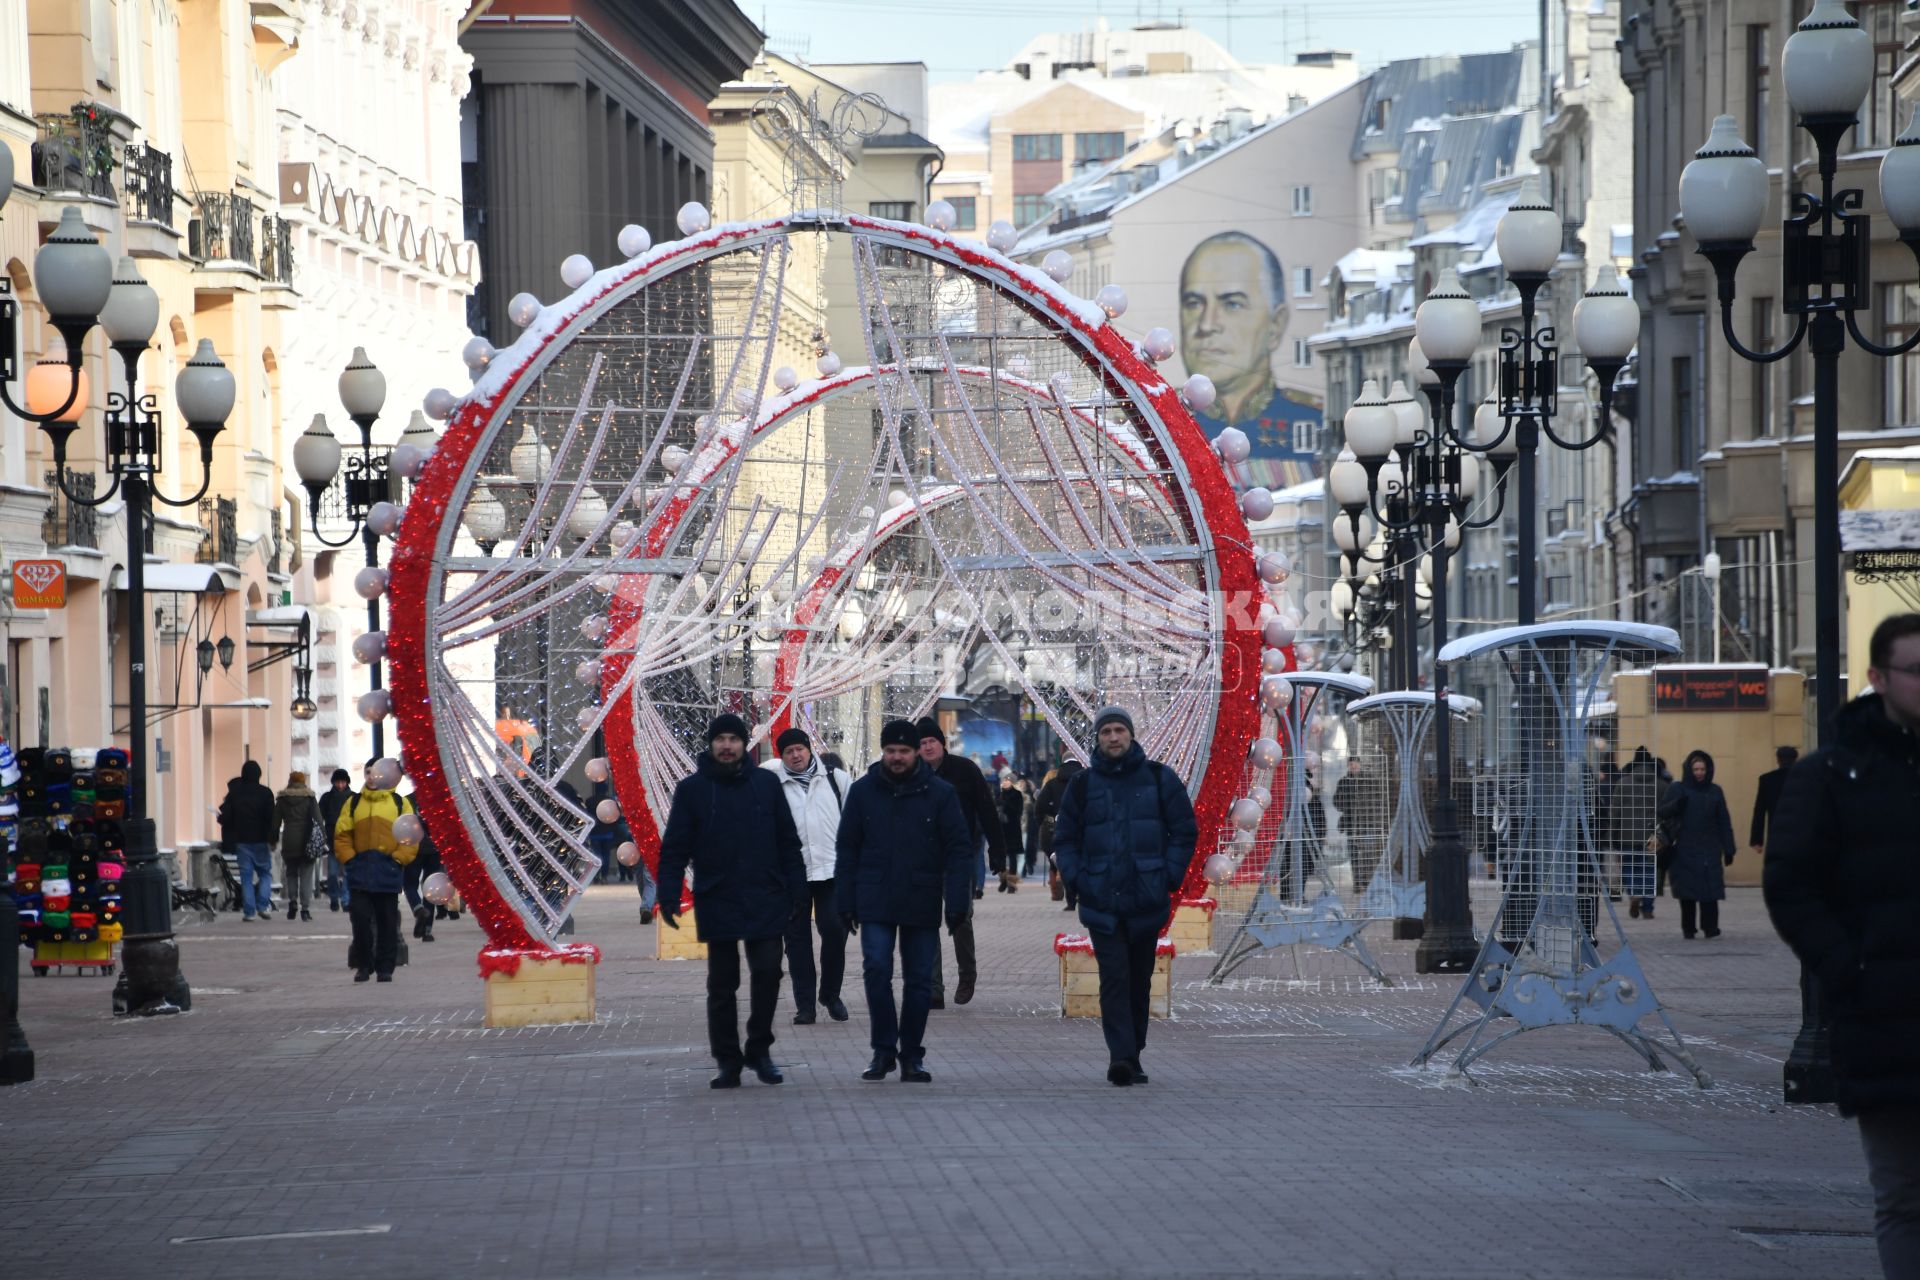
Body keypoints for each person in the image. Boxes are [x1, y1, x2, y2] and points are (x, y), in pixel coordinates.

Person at [1767, 613, 1920, 1278]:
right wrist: (1847, 968)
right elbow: (1792, 885)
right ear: (1878, 678)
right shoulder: (1832, 775)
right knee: (1905, 1196)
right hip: (1885, 1016)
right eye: (1915, 671)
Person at [656, 713, 806, 1089]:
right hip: (718, 893)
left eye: (733, 740)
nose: (727, 746)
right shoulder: (692, 789)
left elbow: (788, 840)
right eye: (720, 739)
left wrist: (798, 889)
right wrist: (669, 891)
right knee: (722, 983)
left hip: (766, 892)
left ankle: (759, 1049)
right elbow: (675, 846)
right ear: (711, 744)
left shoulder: (767, 784)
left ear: (745, 745)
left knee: (769, 972)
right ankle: (727, 1059)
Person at [1053, 706, 1197, 1086]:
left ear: (1131, 735)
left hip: (1146, 898)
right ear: (1097, 738)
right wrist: (1078, 878)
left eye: (1119, 730)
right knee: (1114, 978)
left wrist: (1168, 874)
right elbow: (1065, 839)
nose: (1113, 737)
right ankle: (1121, 1057)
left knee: (1139, 981)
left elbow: (1184, 830)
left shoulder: (1159, 779)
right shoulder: (1082, 785)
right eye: (1106, 732)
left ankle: (1133, 1051)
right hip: (1101, 899)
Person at [834, 718, 972, 1082]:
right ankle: (883, 1051)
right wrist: (844, 899)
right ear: (883, 751)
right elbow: (847, 848)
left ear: (916, 754)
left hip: (921, 896)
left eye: (904, 751)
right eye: (891, 751)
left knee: (919, 981)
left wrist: (957, 903)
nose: (897, 757)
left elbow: (959, 850)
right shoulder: (863, 792)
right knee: (877, 970)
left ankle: (911, 1054)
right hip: (875, 896)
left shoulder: (940, 793)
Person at [1177, 230, 1324, 488]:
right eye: (1193, 303)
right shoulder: (1157, 423)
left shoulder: (1312, 420)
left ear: (1275, 325)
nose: (1207, 324)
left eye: (1232, 304)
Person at [763, 726, 854, 1025]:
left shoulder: (835, 779)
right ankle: (806, 1006)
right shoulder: (774, 786)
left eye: (799, 749)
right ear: (782, 757)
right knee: (797, 940)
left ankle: (830, 994)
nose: (796, 755)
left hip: (831, 869)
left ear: (809, 748)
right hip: (792, 873)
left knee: (834, 930)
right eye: (789, 752)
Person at [917, 717, 1005, 1006]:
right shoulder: (912, 775)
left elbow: (987, 810)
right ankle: (933, 988)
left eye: (932, 741)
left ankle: (967, 974)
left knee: (960, 918)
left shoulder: (965, 770)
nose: (928, 747)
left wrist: (998, 850)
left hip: (958, 856)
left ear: (942, 743)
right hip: (925, 858)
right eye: (922, 743)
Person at [333, 759, 421, 982]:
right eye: (369, 772)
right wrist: (350, 860)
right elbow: (342, 836)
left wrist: (398, 860)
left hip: (387, 870)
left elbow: (411, 837)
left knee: (387, 922)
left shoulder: (399, 804)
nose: (372, 776)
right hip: (360, 870)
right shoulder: (353, 804)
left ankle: (385, 967)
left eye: (377, 772)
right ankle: (363, 965)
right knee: (360, 921)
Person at [1657, 749, 1735, 940]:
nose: (1699, 772)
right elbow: (1662, 812)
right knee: (1687, 891)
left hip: (1710, 846)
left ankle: (1711, 928)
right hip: (1684, 846)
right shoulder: (1678, 788)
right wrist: (1676, 805)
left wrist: (1729, 848)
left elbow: (1724, 821)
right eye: (1696, 769)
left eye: (1702, 769)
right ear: (1689, 770)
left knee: (1710, 890)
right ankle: (1689, 928)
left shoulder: (1715, 791)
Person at [1606, 746, 1664, 919]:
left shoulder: (1623, 783)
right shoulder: (1660, 785)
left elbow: (1615, 812)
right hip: (1653, 836)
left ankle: (1634, 894)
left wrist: (1612, 836)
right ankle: (1647, 907)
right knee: (1649, 870)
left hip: (1627, 834)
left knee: (1630, 868)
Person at [218, 760, 277, 922]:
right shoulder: (266, 793)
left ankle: (249, 912)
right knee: (265, 874)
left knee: (246, 877)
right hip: (261, 840)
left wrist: (221, 818)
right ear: (259, 775)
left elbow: (227, 817)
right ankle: (263, 906)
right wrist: (272, 838)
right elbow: (271, 818)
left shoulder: (235, 793)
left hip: (242, 841)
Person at [1035, 758, 1084, 909]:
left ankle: (1068, 899)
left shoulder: (1053, 783)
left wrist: (1042, 820)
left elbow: (1041, 805)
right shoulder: (1086, 781)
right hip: (1082, 826)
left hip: (1057, 826)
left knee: (1061, 860)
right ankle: (1083, 894)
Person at [273, 771, 319, 923]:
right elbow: (318, 819)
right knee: (306, 875)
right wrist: (322, 839)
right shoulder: (309, 798)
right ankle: (305, 909)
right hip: (307, 840)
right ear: (303, 781)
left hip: (289, 839)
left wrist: (273, 839)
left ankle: (293, 900)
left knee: (291, 873)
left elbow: (276, 822)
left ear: (290, 780)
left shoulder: (282, 799)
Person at [1749, 744, 1800, 860]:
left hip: (1776, 833)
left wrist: (1757, 840)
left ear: (1778, 760)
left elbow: (1759, 811)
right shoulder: (1804, 778)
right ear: (1795, 760)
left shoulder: (1767, 780)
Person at [319, 768, 353, 912]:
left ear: (347, 782)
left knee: (346, 873)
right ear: (334, 782)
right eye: (338, 782)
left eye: (343, 782)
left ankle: (345, 900)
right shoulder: (327, 798)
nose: (340, 785)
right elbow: (320, 817)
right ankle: (334, 898)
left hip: (348, 840)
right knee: (332, 873)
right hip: (332, 840)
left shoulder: (353, 798)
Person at [997, 772, 1026, 890]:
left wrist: (1006, 805)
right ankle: (1003, 878)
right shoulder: (999, 794)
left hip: (1013, 828)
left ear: (1012, 782)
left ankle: (1011, 883)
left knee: (1012, 855)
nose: (1004, 782)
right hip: (1000, 829)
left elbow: (1018, 811)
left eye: (1007, 780)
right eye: (1003, 780)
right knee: (1000, 856)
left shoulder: (1017, 794)